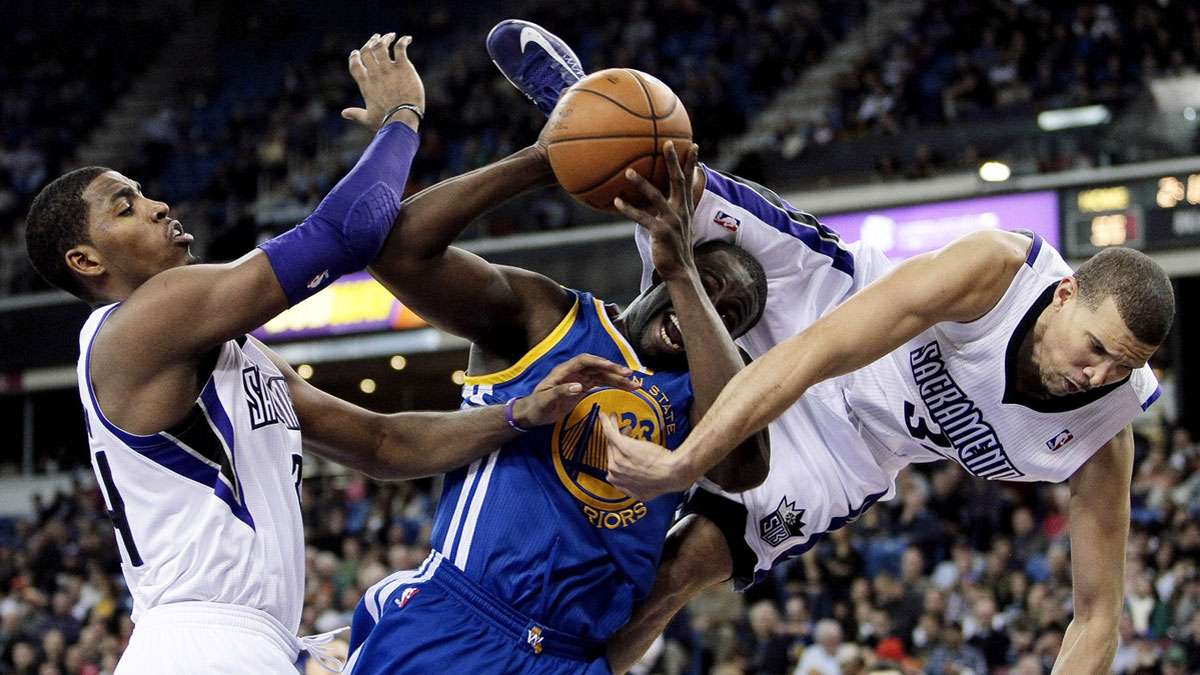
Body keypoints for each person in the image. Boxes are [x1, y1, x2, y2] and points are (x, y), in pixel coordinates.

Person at [488, 20, 1175, 674]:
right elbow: (818, 350)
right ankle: (582, 112)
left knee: (676, 576)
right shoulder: (994, 270)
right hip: (827, 306)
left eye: (1123, 367)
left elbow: (1096, 615)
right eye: (1096, 348)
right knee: (665, 182)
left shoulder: (1101, 432)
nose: (1099, 374)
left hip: (848, 454)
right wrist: (684, 463)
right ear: (1063, 294)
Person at [24, 33, 635, 674]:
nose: (156, 206)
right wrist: (403, 116)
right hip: (200, 642)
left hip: (245, 641)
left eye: (145, 193)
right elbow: (341, 234)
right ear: (86, 261)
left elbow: (383, 446)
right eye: (126, 208)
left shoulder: (233, 355)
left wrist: (519, 413)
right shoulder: (136, 323)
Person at [340, 133, 770, 671]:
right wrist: (543, 160)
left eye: (727, 315)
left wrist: (688, 275)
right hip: (462, 619)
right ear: (657, 266)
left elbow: (743, 470)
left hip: (570, 657)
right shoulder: (547, 317)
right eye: (707, 284)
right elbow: (398, 252)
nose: (708, 306)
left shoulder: (711, 399)